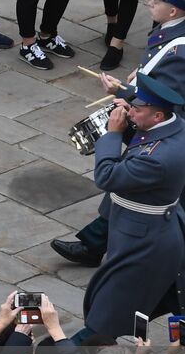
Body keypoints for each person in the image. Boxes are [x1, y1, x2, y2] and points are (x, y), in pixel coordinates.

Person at [51, 0, 185, 266]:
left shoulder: (179, 48)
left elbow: (168, 99)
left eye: (158, 0)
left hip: (164, 129)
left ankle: (95, 245)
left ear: (173, 10)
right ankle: (94, 243)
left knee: (136, 183)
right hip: (159, 125)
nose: (151, 2)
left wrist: (126, 90)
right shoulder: (169, 30)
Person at [79, 73, 185, 339]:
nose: (130, 114)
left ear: (157, 117)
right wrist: (127, 94)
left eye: (136, 111)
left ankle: (74, 351)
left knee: (111, 307)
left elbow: (107, 176)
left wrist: (113, 134)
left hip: (143, 239)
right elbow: (145, 129)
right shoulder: (175, 125)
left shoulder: (158, 159)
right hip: (153, 229)